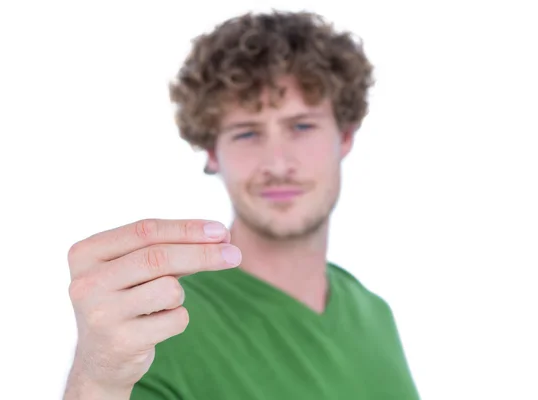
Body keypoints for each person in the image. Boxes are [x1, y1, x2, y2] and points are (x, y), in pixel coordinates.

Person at [64, 10, 419, 400]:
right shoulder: (155, 322)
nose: (278, 164)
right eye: (247, 133)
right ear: (213, 151)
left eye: (302, 127)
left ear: (346, 137)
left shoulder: (373, 314)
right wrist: (97, 381)